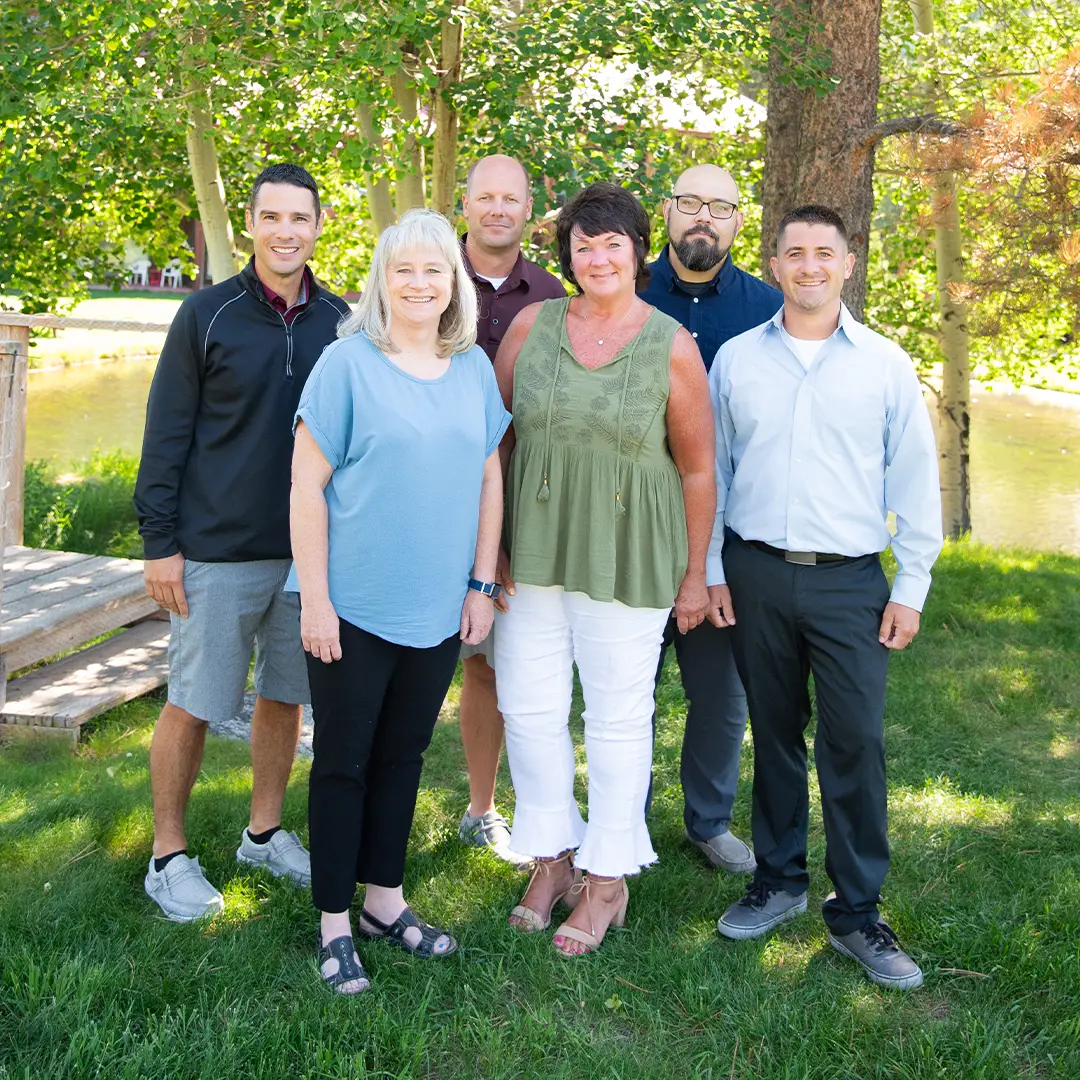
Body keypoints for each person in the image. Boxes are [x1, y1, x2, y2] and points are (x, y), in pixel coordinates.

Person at [709, 205, 943, 991]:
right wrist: (711, 567)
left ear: (848, 262)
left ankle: (857, 913)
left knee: (855, 741)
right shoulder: (737, 360)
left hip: (849, 580)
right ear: (774, 265)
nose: (808, 266)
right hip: (757, 571)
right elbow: (718, 474)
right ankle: (777, 880)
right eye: (794, 253)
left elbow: (914, 479)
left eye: (824, 253)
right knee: (774, 733)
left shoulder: (884, 364)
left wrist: (910, 584)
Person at [288, 208, 510, 994]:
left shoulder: (473, 369)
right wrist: (315, 599)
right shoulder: (347, 364)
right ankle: (334, 925)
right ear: (382, 280)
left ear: (455, 282)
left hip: (438, 608)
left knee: (404, 757)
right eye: (404, 269)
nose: (420, 283)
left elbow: (490, 479)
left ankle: (385, 901)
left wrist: (481, 585)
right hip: (352, 605)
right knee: (343, 765)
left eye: (434, 269)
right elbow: (306, 486)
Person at [492, 182, 717, 956]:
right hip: (534, 550)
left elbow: (696, 469)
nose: (596, 257)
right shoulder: (531, 325)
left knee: (617, 718)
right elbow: (499, 445)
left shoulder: (670, 345)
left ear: (637, 251)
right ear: (567, 256)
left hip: (629, 555)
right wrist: (489, 550)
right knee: (529, 708)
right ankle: (552, 860)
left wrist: (694, 576)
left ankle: (609, 879)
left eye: (611, 243)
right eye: (582, 245)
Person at [135, 163, 349, 922]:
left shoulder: (342, 321)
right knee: (194, 702)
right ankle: (168, 855)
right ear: (250, 225)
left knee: (286, 699)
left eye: (301, 219)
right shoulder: (206, 315)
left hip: (307, 556)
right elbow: (166, 436)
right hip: (215, 552)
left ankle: (264, 833)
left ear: (319, 227)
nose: (287, 232)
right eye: (273, 218)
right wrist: (161, 545)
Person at [639, 164, 782, 875]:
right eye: (690, 203)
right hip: (627, 528)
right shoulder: (619, 291)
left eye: (719, 207)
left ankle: (707, 821)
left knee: (720, 695)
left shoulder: (768, 308)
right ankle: (620, 821)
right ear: (666, 211)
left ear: (737, 222)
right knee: (626, 684)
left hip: (722, 537)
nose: (704, 217)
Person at [455, 154, 567, 862]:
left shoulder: (552, 295)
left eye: (512, 199)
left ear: (529, 210)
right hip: (424, 503)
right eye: (485, 197)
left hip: (515, 508)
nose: (498, 209)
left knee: (490, 666)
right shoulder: (426, 272)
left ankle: (481, 807)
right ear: (464, 203)